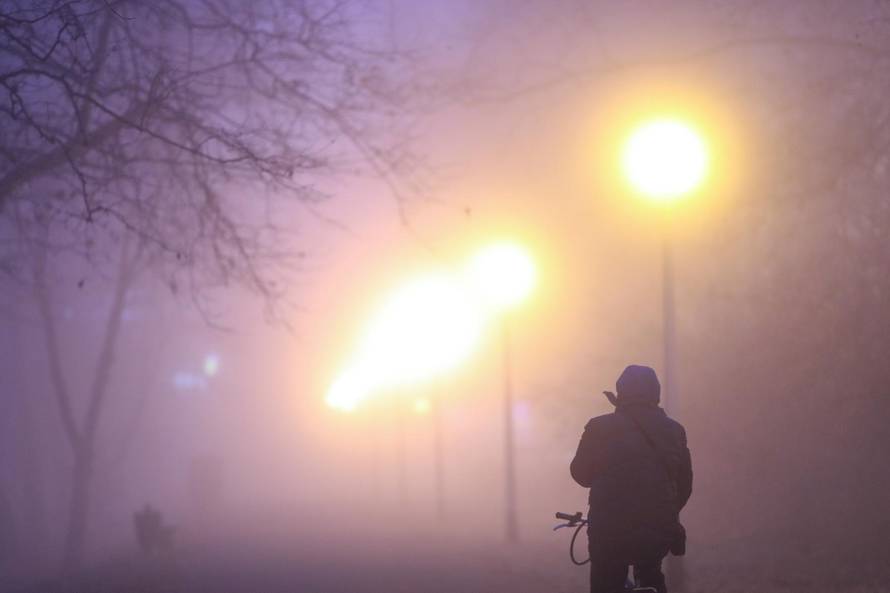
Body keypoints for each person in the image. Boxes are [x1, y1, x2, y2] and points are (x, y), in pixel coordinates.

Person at [570, 365, 692, 593]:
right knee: (651, 572)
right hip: (657, 530)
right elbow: (684, 485)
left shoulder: (598, 428)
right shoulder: (675, 431)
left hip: (608, 530)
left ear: (620, 393)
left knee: (605, 579)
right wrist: (665, 511)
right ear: (656, 393)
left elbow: (580, 474)